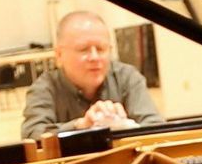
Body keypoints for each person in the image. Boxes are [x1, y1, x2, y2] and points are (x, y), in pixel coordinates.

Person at [21, 11, 164, 140]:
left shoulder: (127, 77)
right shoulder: (44, 88)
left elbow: (157, 127)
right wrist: (80, 126)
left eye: (101, 49)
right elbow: (32, 135)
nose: (95, 57)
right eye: (83, 49)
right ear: (59, 55)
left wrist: (127, 125)